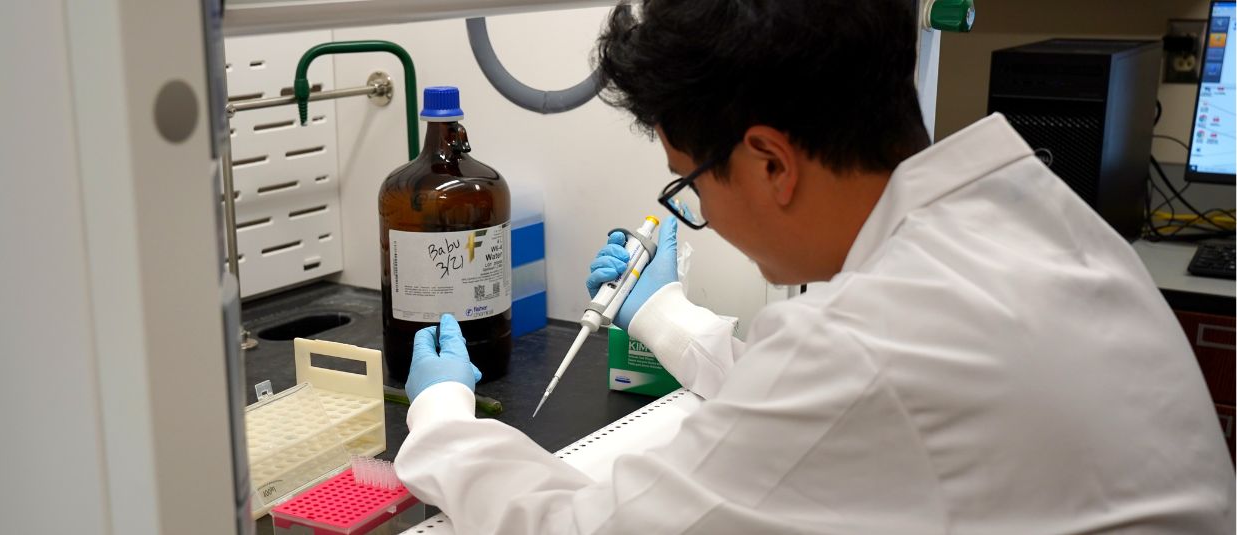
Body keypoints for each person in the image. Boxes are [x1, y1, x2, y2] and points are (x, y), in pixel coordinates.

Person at [393, 0, 1236, 532]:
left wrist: (441, 420)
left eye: (689, 182)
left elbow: (584, 526)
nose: (701, 211)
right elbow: (820, 396)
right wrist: (663, 313)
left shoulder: (876, 346)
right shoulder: (1029, 222)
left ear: (769, 162)